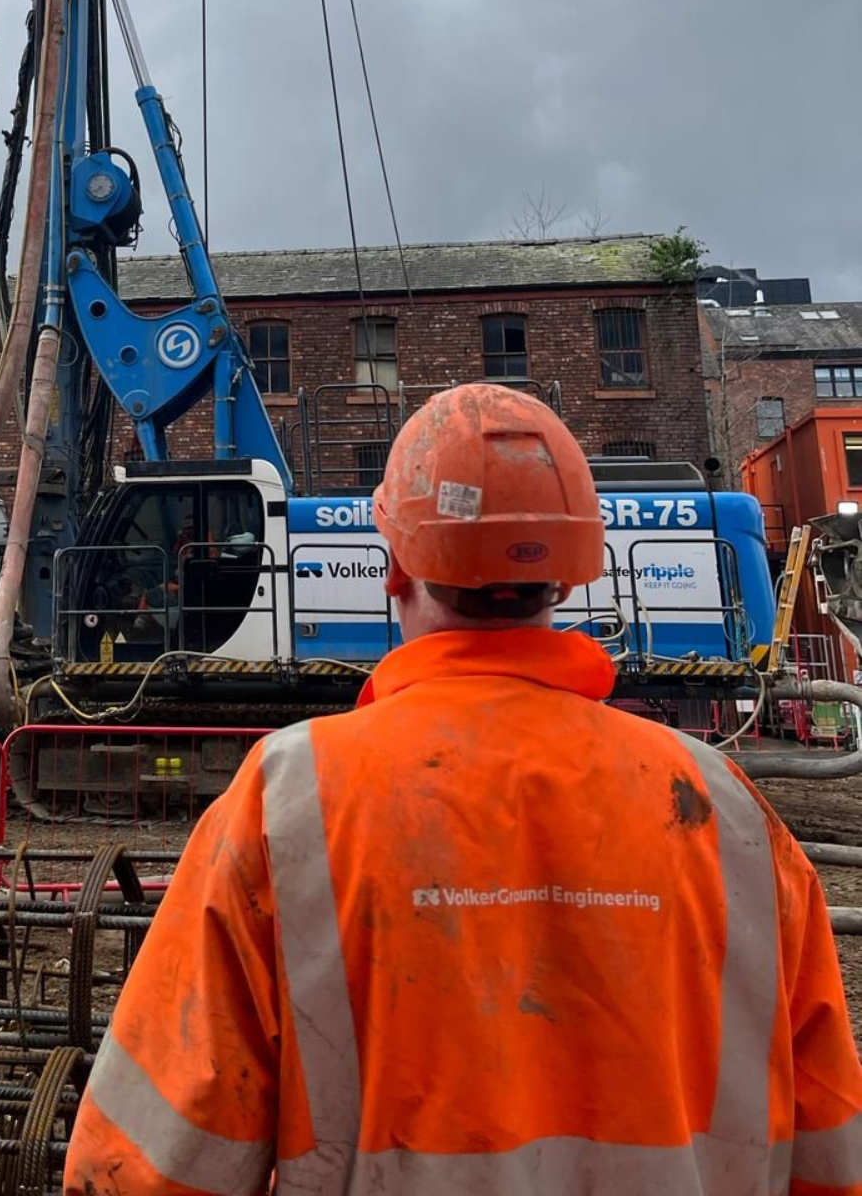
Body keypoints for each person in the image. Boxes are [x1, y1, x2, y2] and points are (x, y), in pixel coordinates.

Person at [64, 383, 862, 1196]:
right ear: (576, 572)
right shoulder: (728, 812)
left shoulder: (287, 802)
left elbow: (141, 1168)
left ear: (396, 566)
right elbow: (833, 1152)